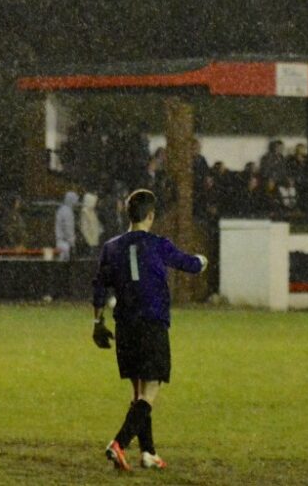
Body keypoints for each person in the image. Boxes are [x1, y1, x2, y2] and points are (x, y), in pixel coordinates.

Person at [91, 188, 205, 471]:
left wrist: (97, 322)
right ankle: (118, 443)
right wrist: (202, 261)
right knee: (152, 389)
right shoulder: (157, 243)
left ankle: (148, 453)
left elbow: (99, 287)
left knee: (139, 393)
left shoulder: (112, 247)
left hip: (125, 327)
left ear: (127, 214)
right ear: (151, 215)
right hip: (151, 323)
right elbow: (187, 264)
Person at [54, 191, 80, 260]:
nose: (76, 203)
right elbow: (69, 229)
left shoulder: (62, 210)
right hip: (65, 244)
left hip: (60, 242)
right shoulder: (68, 212)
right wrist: (72, 243)